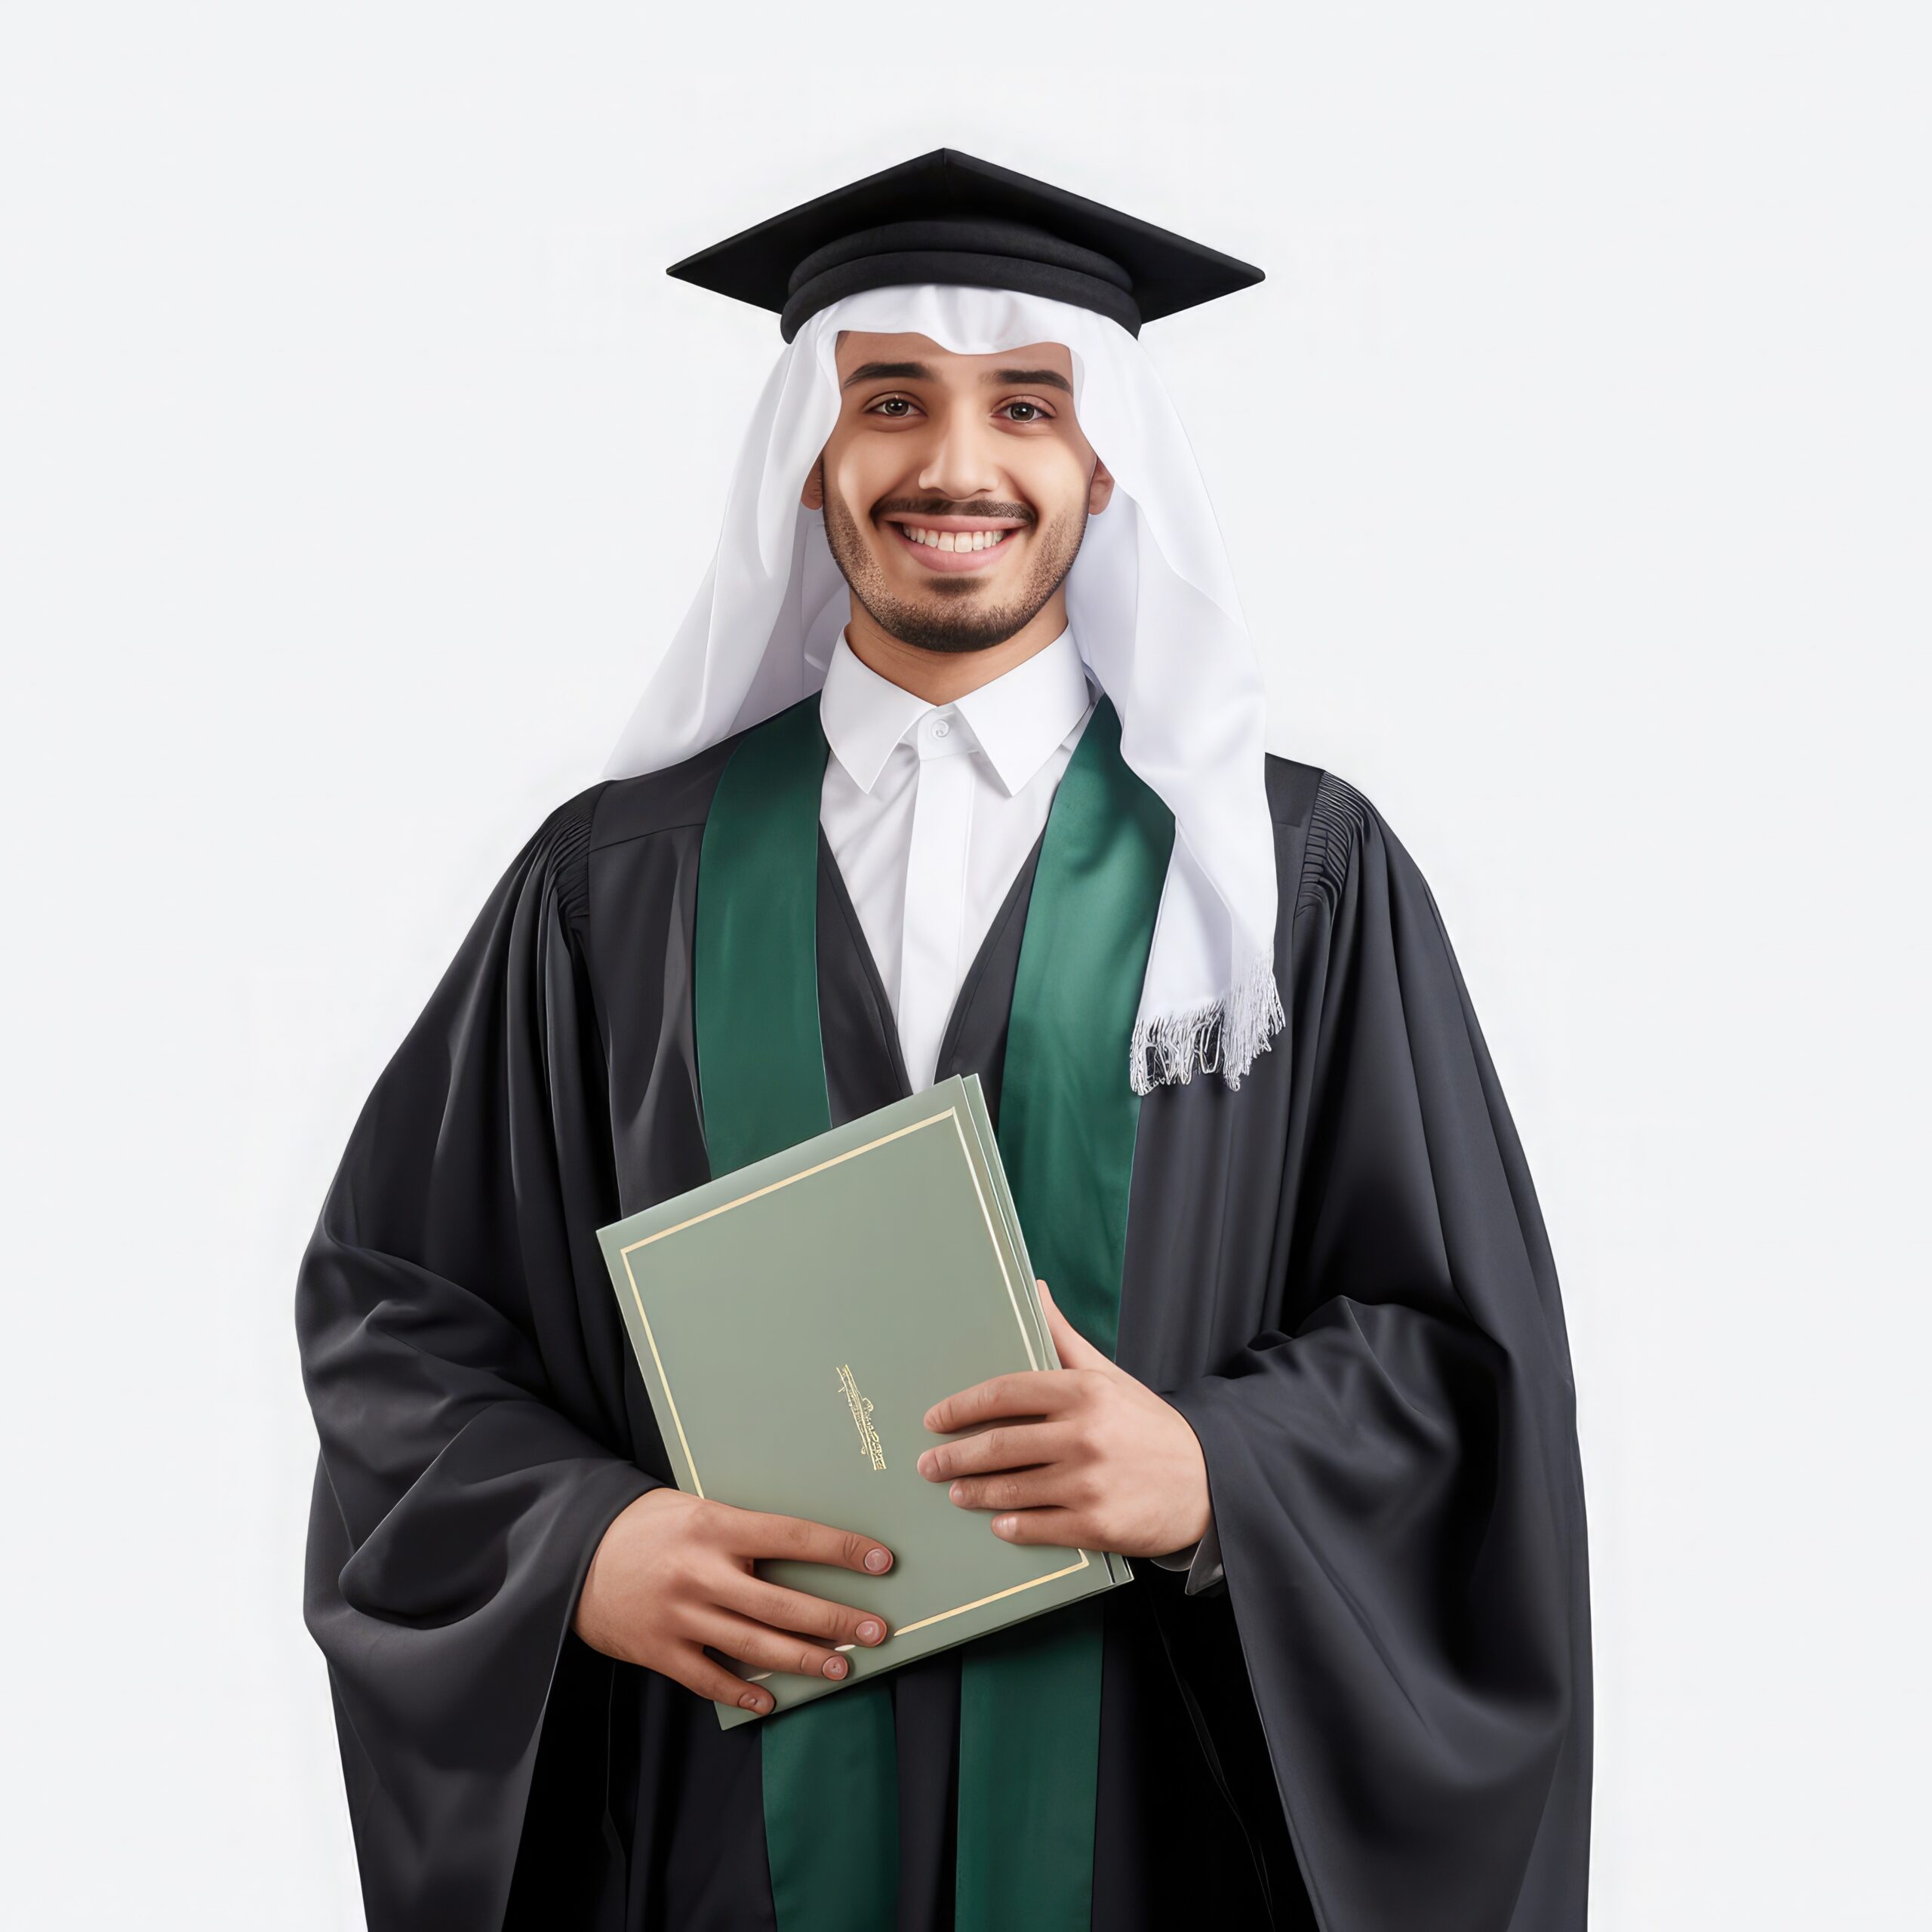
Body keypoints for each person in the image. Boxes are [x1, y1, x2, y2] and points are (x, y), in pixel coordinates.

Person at [297, 149, 1592, 1932]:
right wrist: (581, 1541)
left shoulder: (1282, 878)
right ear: (809, 454)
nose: (958, 465)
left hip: (1151, 1824)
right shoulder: (612, 885)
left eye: (1027, 404)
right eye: (890, 399)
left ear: (1103, 458)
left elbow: (1458, 1356)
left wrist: (1220, 1471)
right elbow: (399, 1307)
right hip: (725, 1833)